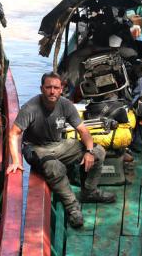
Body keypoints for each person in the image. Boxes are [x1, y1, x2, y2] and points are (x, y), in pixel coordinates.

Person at [6, 72, 116, 228]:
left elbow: (84, 132)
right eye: (48, 87)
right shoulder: (30, 107)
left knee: (99, 152)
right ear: (41, 88)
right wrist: (16, 161)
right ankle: (72, 207)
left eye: (56, 88)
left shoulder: (66, 105)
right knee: (54, 167)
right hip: (36, 148)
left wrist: (89, 152)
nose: (52, 91)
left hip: (58, 145)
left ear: (61, 89)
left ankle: (89, 191)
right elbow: (13, 134)